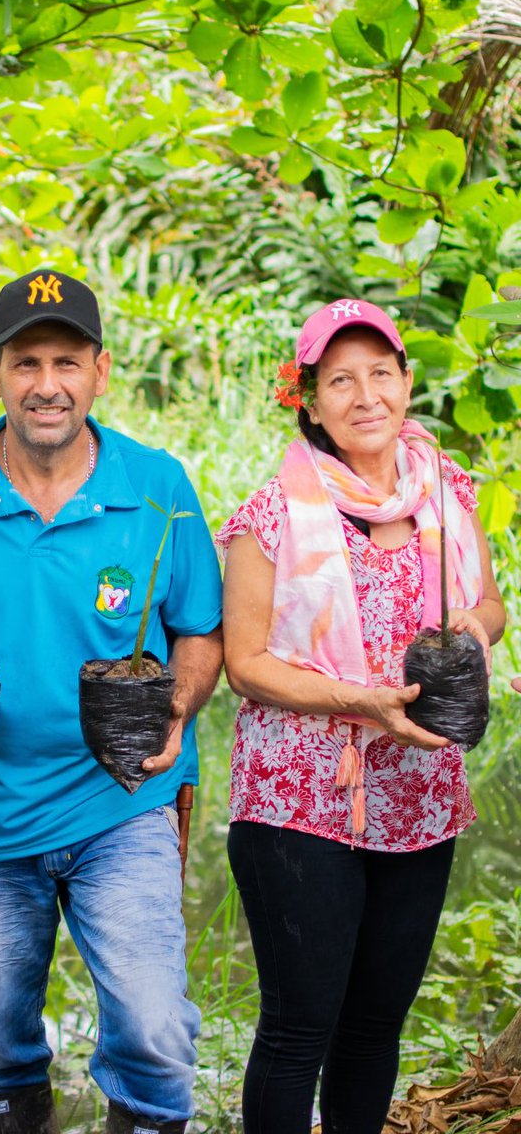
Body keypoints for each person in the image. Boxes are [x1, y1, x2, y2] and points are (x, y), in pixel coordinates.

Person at [0, 268, 223, 1134]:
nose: (46, 385)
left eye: (66, 362)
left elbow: (201, 632)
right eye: (26, 363)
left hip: (123, 801)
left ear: (100, 370)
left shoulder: (158, 487)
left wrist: (181, 702)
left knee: (151, 1024)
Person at [218, 298, 506, 1134]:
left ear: (407, 383)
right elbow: (247, 664)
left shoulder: (447, 495)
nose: (365, 394)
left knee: (377, 1025)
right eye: (340, 380)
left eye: (381, 373)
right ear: (309, 400)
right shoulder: (272, 516)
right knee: (300, 1025)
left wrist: (470, 635)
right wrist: (363, 701)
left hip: (420, 796)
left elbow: (488, 606)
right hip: (299, 798)